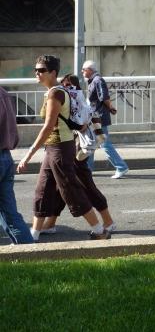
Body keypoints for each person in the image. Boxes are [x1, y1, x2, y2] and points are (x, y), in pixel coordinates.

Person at [17, 55, 111, 241]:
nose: (37, 73)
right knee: (42, 190)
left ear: (53, 73)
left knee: (71, 190)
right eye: (36, 70)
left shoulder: (56, 94)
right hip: (54, 148)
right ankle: (33, 236)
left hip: (60, 148)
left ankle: (100, 231)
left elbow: (48, 127)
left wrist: (27, 155)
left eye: (41, 70)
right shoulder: (53, 92)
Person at [38, 74, 116, 236]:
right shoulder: (63, 98)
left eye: (69, 85)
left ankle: (107, 222)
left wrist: (96, 134)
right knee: (60, 187)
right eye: (64, 84)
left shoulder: (79, 102)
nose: (66, 88)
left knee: (85, 185)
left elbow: (91, 118)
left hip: (77, 150)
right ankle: (50, 223)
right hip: (64, 148)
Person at [81, 60, 129, 179]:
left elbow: (104, 97)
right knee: (91, 142)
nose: (82, 71)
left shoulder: (98, 80)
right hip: (94, 117)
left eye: (84, 69)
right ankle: (88, 169)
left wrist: (111, 107)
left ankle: (121, 167)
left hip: (99, 118)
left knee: (104, 144)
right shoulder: (92, 80)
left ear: (90, 70)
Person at [0, 86, 33, 244]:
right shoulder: (4, 93)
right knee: (10, 212)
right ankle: (28, 252)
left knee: (9, 213)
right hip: (6, 156)